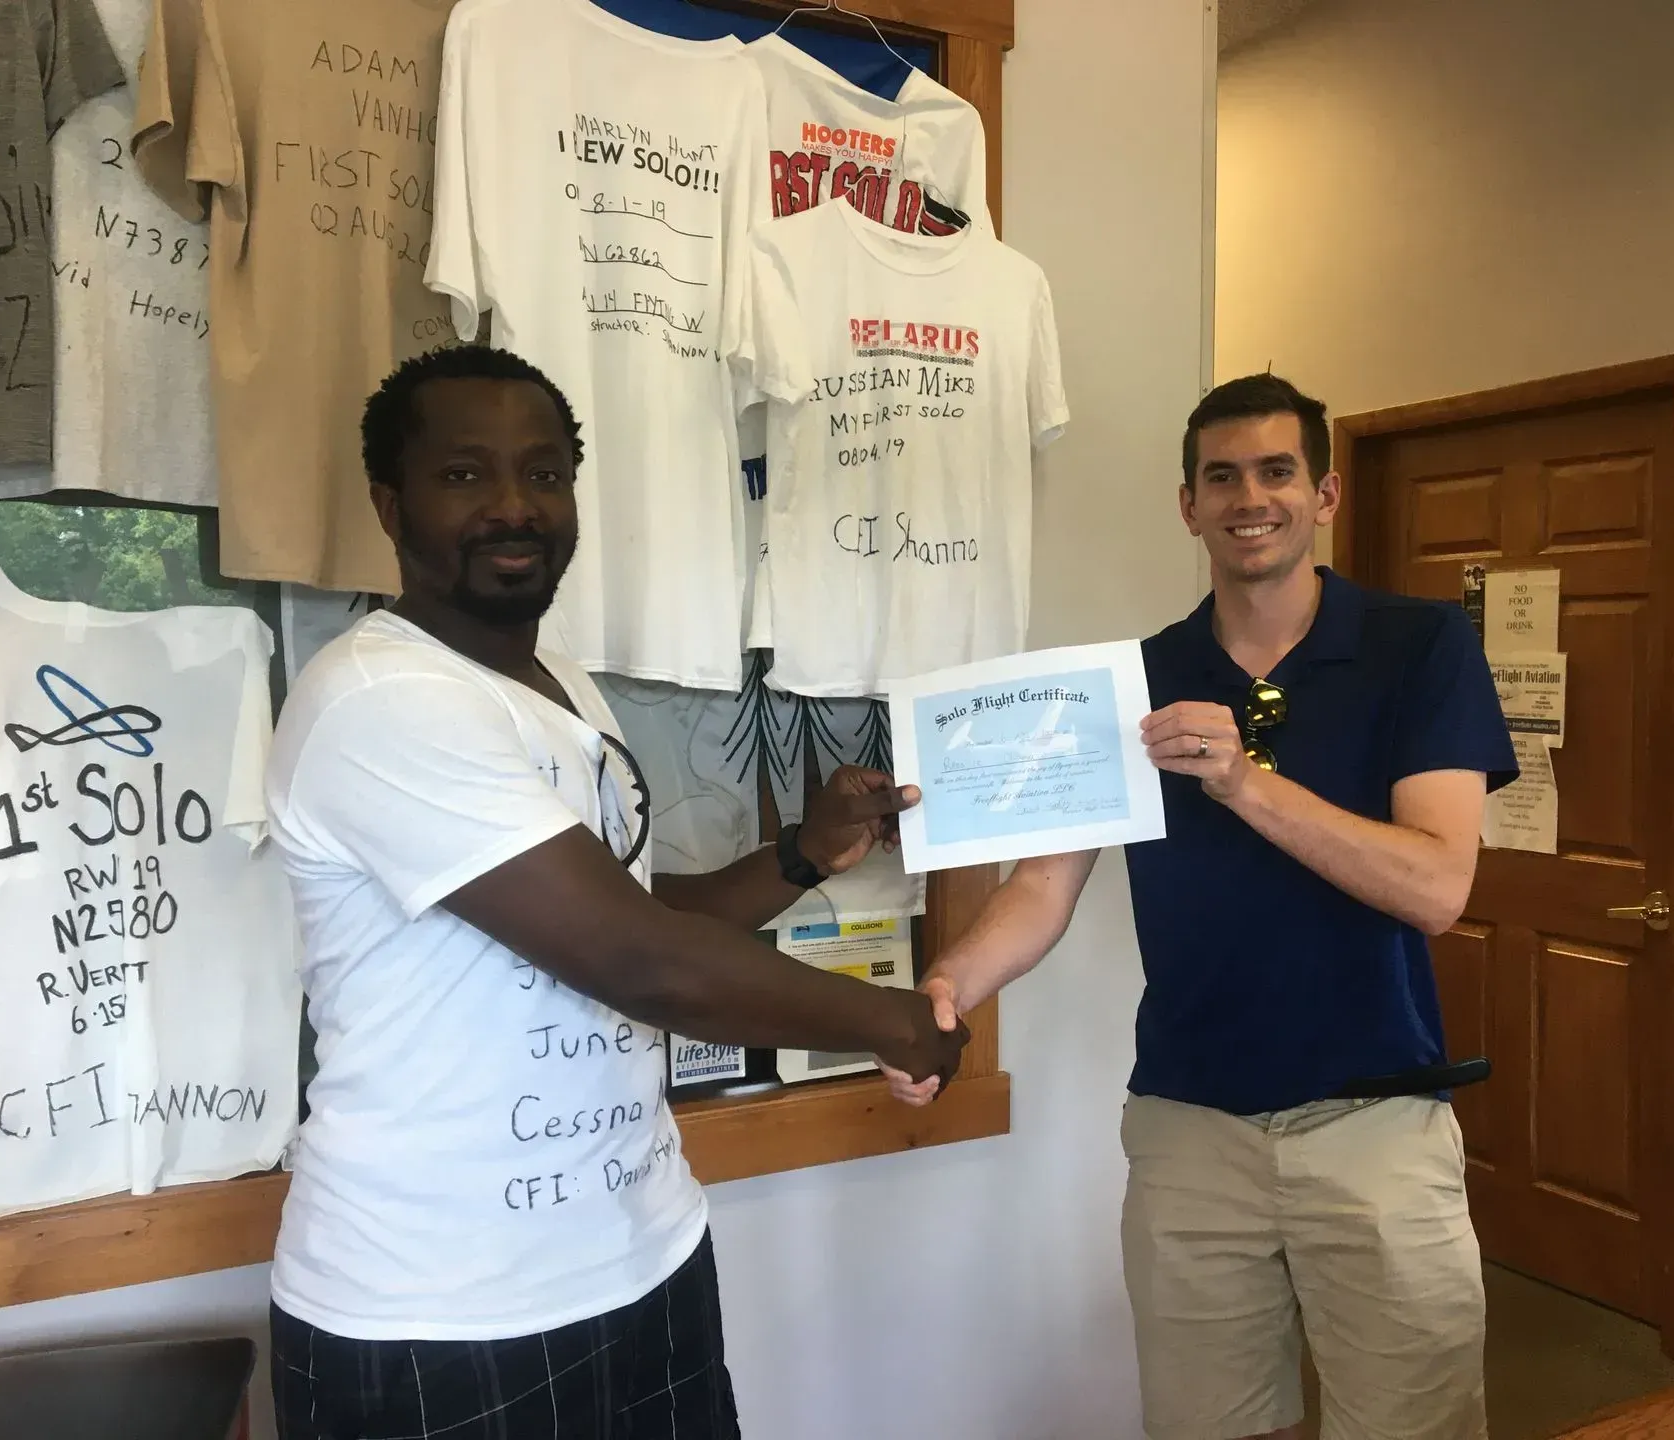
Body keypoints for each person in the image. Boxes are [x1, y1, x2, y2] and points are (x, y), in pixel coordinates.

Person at [263, 343, 965, 1439]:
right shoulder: (380, 698)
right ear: (390, 506)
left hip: (643, 1257)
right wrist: (895, 1022)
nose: (513, 505)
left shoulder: (557, 685)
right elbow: (638, 963)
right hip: (438, 1314)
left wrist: (802, 855)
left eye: (544, 474)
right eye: (465, 475)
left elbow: (635, 916)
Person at [886, 373, 1517, 1440]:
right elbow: (1042, 886)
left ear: (1323, 494)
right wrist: (944, 988)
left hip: (1377, 1121)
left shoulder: (1421, 647)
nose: (1249, 498)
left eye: (1276, 472)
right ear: (1189, 506)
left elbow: (1437, 887)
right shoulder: (1132, 681)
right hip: (1189, 1130)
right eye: (1221, 478)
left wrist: (1244, 784)